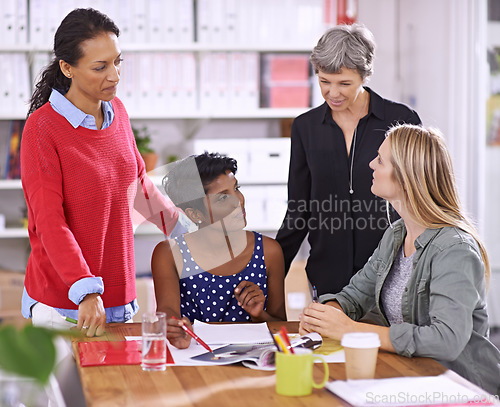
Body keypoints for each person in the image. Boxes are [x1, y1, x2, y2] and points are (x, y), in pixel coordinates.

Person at [20, 8, 190, 337]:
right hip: (67, 305)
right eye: (100, 67)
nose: (114, 76)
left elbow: (140, 187)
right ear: (67, 68)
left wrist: (189, 234)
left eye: (117, 62)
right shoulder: (42, 129)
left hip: (116, 296)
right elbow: (49, 222)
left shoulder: (118, 113)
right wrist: (85, 290)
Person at [299, 124, 500, 395]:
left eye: (380, 160)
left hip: (461, 389)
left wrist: (351, 330)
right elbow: (356, 294)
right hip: (410, 378)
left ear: (406, 178)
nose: (371, 164)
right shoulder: (396, 235)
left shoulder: (455, 250)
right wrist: (328, 315)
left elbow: (446, 341)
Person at [276, 24, 421, 297]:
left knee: (386, 341)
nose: (333, 93)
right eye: (324, 81)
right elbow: (298, 209)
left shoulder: (401, 120)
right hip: (327, 274)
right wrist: (270, 274)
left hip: (389, 272)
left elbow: (420, 197)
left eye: (344, 83)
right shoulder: (305, 128)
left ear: (364, 76)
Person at [151, 152, 286, 349]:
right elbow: (168, 314)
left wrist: (259, 314)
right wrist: (175, 328)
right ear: (195, 214)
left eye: (236, 188)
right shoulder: (169, 254)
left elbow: (282, 326)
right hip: (194, 362)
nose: (239, 200)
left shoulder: (269, 251)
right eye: (223, 198)